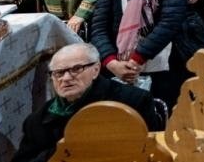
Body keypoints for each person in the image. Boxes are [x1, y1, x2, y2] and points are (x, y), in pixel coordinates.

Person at [11, 43, 165, 162]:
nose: (66, 78)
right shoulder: (37, 120)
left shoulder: (133, 101)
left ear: (96, 69)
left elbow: (150, 154)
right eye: (58, 73)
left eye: (76, 69)